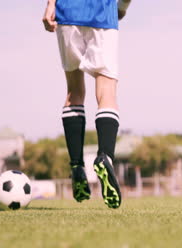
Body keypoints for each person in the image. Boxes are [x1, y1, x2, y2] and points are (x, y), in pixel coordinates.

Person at [42, 0, 132, 209]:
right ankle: (105, 158)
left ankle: (76, 165)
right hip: (102, 13)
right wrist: (122, 8)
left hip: (67, 13)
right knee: (106, 89)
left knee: (74, 90)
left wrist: (50, 5)